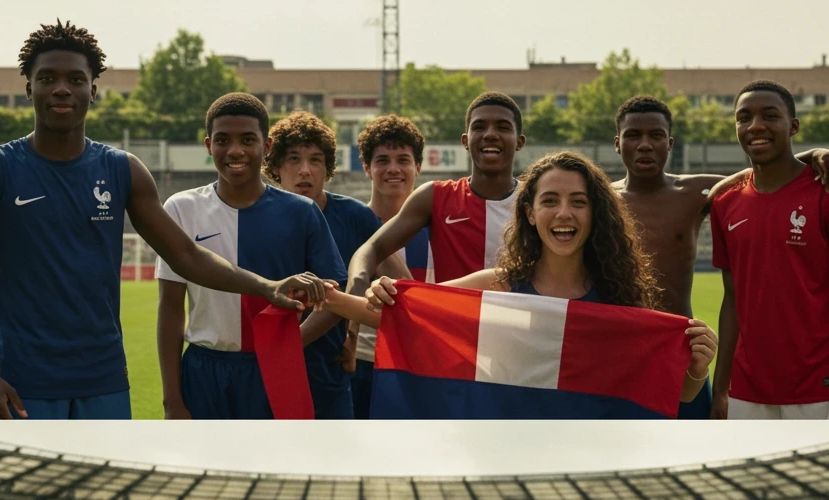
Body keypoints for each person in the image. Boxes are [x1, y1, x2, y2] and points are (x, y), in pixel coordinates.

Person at [0, 21, 328, 421]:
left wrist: (266, 287)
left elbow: (185, 254)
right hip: (22, 381)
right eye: (48, 78)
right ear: (29, 88)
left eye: (76, 79)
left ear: (93, 90)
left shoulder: (122, 170)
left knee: (107, 486)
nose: (62, 88)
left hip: (105, 378)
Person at [329, 152, 717, 407]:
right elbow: (406, 316)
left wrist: (697, 367)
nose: (563, 213)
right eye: (550, 201)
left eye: (578, 202)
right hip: (506, 453)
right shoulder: (497, 286)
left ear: (597, 214)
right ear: (530, 214)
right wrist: (324, 297)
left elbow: (677, 392)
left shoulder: (620, 301)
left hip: (587, 461)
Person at [612, 94, 827, 420]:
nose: (644, 145)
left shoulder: (701, 192)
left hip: (682, 355)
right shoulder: (598, 199)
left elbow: (768, 174)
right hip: (618, 355)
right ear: (617, 143)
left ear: (670, 144)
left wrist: (813, 155)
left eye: (655, 136)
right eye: (633, 135)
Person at [156, 93, 346, 421]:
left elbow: (334, 293)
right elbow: (171, 307)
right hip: (204, 369)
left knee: (273, 467)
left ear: (267, 145)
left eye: (247, 140)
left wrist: (288, 345)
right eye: (222, 140)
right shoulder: (181, 208)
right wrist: (172, 399)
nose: (235, 150)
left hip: (275, 370)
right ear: (208, 145)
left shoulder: (301, 211)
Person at [709, 81, 829, 420]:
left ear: (793, 126)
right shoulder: (724, 202)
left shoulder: (823, 192)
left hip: (818, 388)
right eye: (744, 117)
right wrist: (721, 389)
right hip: (746, 390)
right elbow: (731, 299)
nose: (755, 126)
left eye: (769, 115)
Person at [347, 92, 527, 299]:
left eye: (503, 127)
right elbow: (372, 248)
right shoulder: (435, 196)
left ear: (520, 142)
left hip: (518, 328)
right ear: (465, 141)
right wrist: (359, 280)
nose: (490, 134)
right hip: (452, 327)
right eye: (479, 127)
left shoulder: (536, 201)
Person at [265, 111, 383, 419]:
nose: (305, 170)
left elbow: (387, 279)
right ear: (276, 165)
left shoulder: (356, 217)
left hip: (330, 370)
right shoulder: (257, 216)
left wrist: (353, 337)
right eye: (293, 159)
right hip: (264, 367)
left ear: (328, 167)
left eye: (315, 160)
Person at [349, 114, 429, 418]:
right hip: (365, 364)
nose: (393, 169)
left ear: (418, 167)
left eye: (403, 160)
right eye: (382, 160)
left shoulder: (441, 230)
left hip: (421, 364)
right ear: (367, 168)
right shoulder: (349, 226)